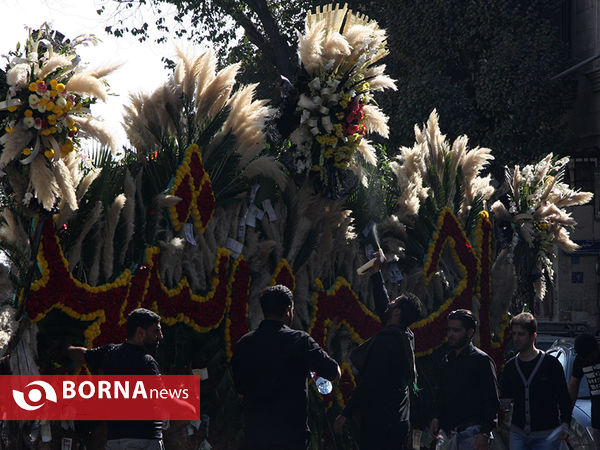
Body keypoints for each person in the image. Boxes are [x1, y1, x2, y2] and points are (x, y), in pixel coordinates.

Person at [231, 285, 340, 450]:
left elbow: (240, 390)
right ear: (289, 309)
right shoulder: (300, 340)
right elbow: (333, 372)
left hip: (256, 436)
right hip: (291, 437)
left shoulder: (244, 343)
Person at [333, 253, 425, 450]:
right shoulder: (405, 336)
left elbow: (369, 381)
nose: (390, 301)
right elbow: (385, 307)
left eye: (395, 301)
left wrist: (345, 414)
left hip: (380, 425)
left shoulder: (387, 342)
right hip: (399, 421)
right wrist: (377, 273)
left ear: (397, 313)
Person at [67, 308, 165, 450]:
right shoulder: (147, 362)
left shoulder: (110, 353)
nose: (161, 336)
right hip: (145, 441)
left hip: (115, 441)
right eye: (155, 331)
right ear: (140, 333)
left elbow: (83, 354)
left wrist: (65, 348)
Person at [430, 309, 499, 450]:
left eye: (456, 330)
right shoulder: (446, 360)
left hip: (471, 433)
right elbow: (441, 393)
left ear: (470, 332)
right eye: (449, 330)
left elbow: (491, 400)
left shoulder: (482, 361)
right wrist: (436, 417)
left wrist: (484, 433)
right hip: (447, 434)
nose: (451, 334)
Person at [500, 312, 571, 449]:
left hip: (546, 434)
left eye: (521, 334)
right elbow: (506, 399)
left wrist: (565, 424)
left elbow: (563, 396)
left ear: (533, 336)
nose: (516, 338)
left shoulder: (551, 364)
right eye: (514, 334)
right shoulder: (510, 366)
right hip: (518, 432)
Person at [568, 333, 600, 440]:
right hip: (597, 414)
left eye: (591, 356)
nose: (588, 360)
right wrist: (567, 415)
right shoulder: (580, 360)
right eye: (585, 358)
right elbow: (573, 386)